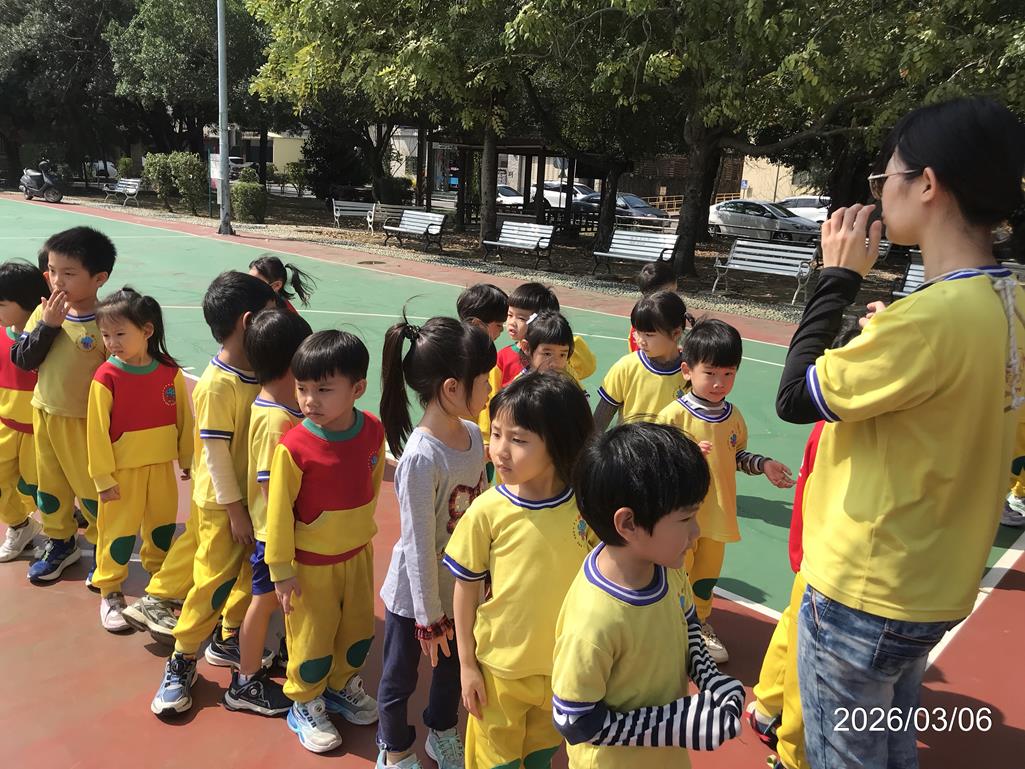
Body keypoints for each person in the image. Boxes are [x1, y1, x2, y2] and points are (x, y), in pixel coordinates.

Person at [775, 97, 1025, 768]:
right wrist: (886, 337)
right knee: (888, 747)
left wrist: (835, 279)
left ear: (928, 183)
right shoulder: (1011, 301)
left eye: (885, 178)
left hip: (865, 588)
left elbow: (794, 396)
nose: (879, 193)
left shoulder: (926, 322)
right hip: (938, 585)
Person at [552, 422, 745, 767]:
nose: (696, 532)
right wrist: (675, 723)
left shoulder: (668, 567)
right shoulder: (594, 621)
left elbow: (688, 625)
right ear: (628, 524)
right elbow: (574, 721)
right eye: (686, 519)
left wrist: (710, 679)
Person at [444, 372, 595, 769]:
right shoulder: (486, 511)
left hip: (562, 668)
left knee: (540, 757)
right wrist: (467, 666)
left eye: (518, 440)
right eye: (496, 434)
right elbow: (465, 589)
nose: (500, 451)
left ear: (559, 441)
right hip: (500, 671)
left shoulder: (585, 507)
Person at [148, 272, 277, 714]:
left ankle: (228, 638)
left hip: (251, 501)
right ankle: (182, 658)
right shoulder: (219, 383)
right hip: (224, 503)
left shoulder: (260, 372)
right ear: (249, 321)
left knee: (247, 578)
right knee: (212, 582)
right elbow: (217, 454)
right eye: (270, 316)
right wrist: (235, 510)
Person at [376, 316, 496, 769]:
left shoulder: (473, 435)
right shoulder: (422, 458)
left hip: (458, 590)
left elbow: (482, 512)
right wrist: (428, 618)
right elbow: (418, 546)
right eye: (483, 381)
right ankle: (394, 748)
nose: (490, 389)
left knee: (452, 669)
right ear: (451, 388)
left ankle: (441, 731)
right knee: (400, 677)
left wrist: (485, 577)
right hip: (417, 598)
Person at [266, 330, 386, 753]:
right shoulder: (294, 447)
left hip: (356, 555)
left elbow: (372, 483)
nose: (309, 400)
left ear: (357, 389)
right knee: (312, 638)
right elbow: (278, 512)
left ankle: (340, 686)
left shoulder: (372, 430)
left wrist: (358, 531)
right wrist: (281, 570)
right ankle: (304, 701)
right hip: (310, 567)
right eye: (302, 388)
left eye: (323, 389)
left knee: (356, 630)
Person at [750, 320, 861, 769]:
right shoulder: (850, 431)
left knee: (792, 629)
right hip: (827, 565)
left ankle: (765, 706)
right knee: (809, 661)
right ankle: (793, 751)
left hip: (814, 557)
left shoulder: (830, 424)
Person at [655, 318, 794, 663]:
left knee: (705, 576)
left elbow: (737, 456)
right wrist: (684, 455)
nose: (720, 383)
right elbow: (653, 462)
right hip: (680, 518)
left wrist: (763, 464)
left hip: (717, 517)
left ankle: (699, 623)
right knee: (675, 572)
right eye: (711, 373)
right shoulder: (673, 416)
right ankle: (666, 624)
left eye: (729, 374)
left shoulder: (733, 416)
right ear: (687, 371)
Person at [12, 227, 116, 582]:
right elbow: (23, 359)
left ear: (99, 278)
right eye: (53, 271)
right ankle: (60, 542)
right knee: (50, 487)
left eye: (69, 273)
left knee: (91, 492)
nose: (58, 281)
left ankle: (103, 548)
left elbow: (118, 379)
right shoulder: (44, 313)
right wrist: (48, 326)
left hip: (85, 424)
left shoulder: (108, 322)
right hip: (44, 413)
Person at [223, 308, 312, 716]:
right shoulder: (276, 419)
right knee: (264, 602)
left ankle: (268, 659)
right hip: (272, 535)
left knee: (275, 602)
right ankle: (245, 679)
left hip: (277, 531)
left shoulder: (282, 408)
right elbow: (270, 486)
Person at [87, 288, 193, 632]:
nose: (112, 342)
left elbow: (184, 419)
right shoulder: (106, 377)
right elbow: (96, 432)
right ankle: (110, 591)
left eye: (120, 334)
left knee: (161, 528)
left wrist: (187, 457)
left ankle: (158, 589)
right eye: (106, 335)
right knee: (118, 533)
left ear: (147, 331)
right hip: (122, 474)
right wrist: (103, 478)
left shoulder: (169, 371)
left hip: (161, 467)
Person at [0, 260, 49, 562]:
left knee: (41, 489)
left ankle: (62, 536)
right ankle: (20, 526)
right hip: (5, 425)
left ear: (28, 303)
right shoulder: (1, 336)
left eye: (2, 304)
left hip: (40, 431)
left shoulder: (49, 340)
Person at [594, 290, 689, 432]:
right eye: (638, 332)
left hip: (673, 446)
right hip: (631, 445)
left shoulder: (692, 372)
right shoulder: (626, 367)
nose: (640, 341)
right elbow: (599, 422)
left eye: (649, 335)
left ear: (676, 333)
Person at [628, 259, 678, 352]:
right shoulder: (648, 317)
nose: (674, 296)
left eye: (675, 291)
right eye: (670, 292)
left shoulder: (642, 312)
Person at [515, 311, 576, 378]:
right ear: (526, 347)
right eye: (547, 354)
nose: (555, 364)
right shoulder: (521, 383)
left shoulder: (569, 377)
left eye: (562, 355)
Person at [249, 254, 317, 313]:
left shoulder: (279, 316)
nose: (248, 283)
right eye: (248, 278)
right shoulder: (256, 302)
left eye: (255, 281)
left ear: (276, 285)